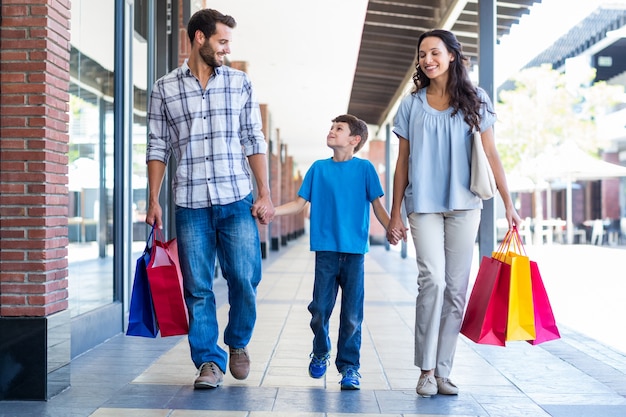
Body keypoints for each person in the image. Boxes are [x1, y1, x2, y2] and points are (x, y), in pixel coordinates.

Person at [385, 29, 522, 397]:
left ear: (452, 56)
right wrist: (395, 213)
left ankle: (444, 370)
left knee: (457, 291)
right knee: (432, 280)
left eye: (434, 52)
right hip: (423, 205)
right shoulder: (412, 104)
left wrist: (508, 204)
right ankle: (425, 370)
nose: (427, 59)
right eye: (422, 54)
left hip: (466, 205)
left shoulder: (476, 99)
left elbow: (492, 155)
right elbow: (402, 163)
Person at [145, 8, 275, 390]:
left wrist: (264, 191)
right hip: (190, 202)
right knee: (198, 287)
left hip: (236, 197)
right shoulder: (164, 88)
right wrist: (153, 198)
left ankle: (237, 342)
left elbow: (254, 138)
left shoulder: (239, 83)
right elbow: (157, 146)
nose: (226, 49)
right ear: (199, 38)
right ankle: (209, 362)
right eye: (221, 41)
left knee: (244, 279)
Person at [261, 114, 403, 390]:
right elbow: (299, 203)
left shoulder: (365, 169)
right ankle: (321, 350)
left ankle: (350, 367)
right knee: (320, 310)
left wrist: (391, 228)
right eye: (331, 127)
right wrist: (272, 211)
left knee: (351, 315)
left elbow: (378, 207)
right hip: (325, 252)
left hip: (354, 254)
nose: (332, 131)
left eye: (339, 129)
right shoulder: (317, 169)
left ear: (354, 140)